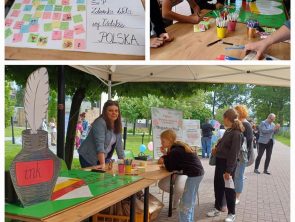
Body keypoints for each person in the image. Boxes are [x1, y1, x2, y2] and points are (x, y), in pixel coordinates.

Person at [158, 129, 204, 222]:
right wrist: (165, 155)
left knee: (185, 205)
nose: (161, 143)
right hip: (197, 174)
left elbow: (170, 167)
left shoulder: (175, 151)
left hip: (193, 175)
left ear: (170, 140)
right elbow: (174, 162)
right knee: (189, 203)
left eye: (163, 141)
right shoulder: (177, 147)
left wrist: (164, 160)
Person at [207, 108, 244, 222]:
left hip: (228, 165)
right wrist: (216, 150)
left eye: (224, 118)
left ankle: (231, 213)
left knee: (229, 190)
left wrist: (228, 171)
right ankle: (217, 208)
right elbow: (224, 146)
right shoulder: (228, 131)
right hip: (220, 163)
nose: (223, 121)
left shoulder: (237, 133)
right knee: (218, 186)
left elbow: (234, 153)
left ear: (227, 118)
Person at [78, 100, 125, 169]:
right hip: (88, 156)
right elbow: (100, 145)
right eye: (110, 110)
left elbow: (119, 146)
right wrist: (102, 164)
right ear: (105, 112)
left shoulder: (117, 125)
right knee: (93, 178)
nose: (114, 113)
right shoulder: (100, 122)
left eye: (116, 111)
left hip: (102, 158)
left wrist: (124, 162)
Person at [234, 105, 253, 205]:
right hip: (236, 155)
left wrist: (246, 156)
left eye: (236, 111)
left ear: (240, 112)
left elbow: (249, 142)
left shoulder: (246, 124)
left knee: (239, 176)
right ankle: (234, 195)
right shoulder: (239, 123)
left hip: (242, 156)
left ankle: (237, 197)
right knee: (236, 176)